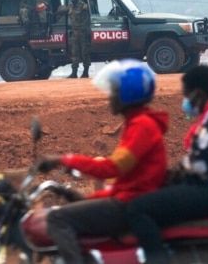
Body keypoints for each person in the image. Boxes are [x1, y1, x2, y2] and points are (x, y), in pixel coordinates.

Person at [35, 59, 168, 264]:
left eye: (114, 92)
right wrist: (92, 198)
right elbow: (127, 181)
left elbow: (112, 167)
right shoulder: (137, 123)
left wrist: (63, 160)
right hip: (129, 199)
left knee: (57, 218)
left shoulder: (142, 126)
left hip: (131, 205)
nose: (109, 99)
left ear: (127, 95)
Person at [125, 65, 208, 263]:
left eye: (186, 96)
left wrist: (165, 176)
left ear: (199, 94)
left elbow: (198, 165)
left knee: (138, 209)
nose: (185, 102)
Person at [57, 0, 91, 78]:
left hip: (83, 33)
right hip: (75, 33)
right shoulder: (70, 7)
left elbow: (86, 11)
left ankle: (85, 72)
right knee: (74, 53)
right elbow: (61, 10)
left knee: (85, 52)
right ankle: (74, 72)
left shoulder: (83, 6)